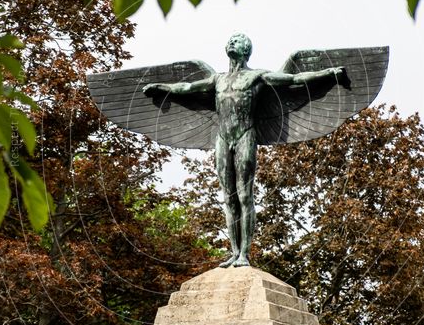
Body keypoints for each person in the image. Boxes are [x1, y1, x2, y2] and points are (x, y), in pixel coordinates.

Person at [143, 33, 344, 267]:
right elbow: (187, 87)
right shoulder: (217, 80)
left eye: (236, 41)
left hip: (245, 136)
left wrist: (328, 73)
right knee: (228, 198)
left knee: (245, 195)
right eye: (229, 40)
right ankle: (233, 252)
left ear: (246, 49)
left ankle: (244, 255)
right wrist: (161, 87)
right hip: (222, 138)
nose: (230, 43)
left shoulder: (256, 76)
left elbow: (295, 79)